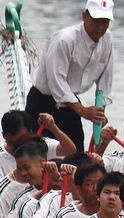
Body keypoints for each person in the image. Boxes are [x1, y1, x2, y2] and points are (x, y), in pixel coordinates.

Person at [25, 0, 115, 151]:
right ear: (85, 16)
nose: (100, 28)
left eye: (105, 22)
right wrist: (83, 111)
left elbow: (105, 80)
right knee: (38, 153)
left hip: (70, 104)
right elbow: (57, 82)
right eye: (96, 21)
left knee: (76, 154)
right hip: (43, 101)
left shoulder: (107, 38)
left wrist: (99, 113)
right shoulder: (64, 40)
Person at [0, 111, 76, 175]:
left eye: (24, 137)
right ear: (4, 135)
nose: (22, 144)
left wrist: (52, 127)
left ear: (31, 132)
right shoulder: (1, 158)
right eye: (16, 142)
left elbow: (70, 150)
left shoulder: (39, 145)